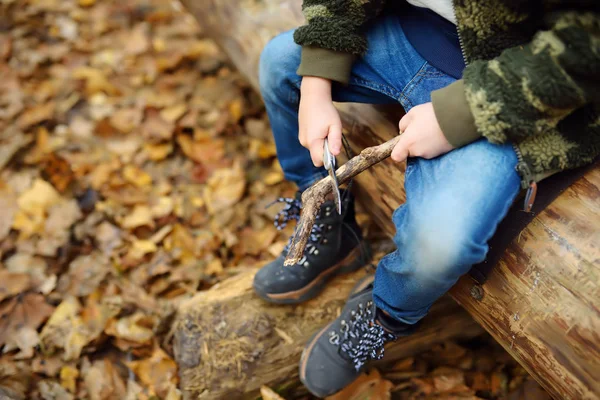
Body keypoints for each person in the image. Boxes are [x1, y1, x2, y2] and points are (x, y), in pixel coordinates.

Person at [253, 0, 599, 397]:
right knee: (279, 62)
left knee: (440, 245)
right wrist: (316, 79)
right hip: (414, 34)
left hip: (518, 88)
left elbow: (584, 47)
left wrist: (459, 114)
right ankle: (332, 229)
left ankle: (387, 313)